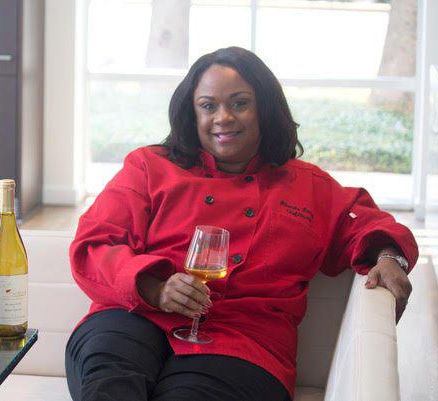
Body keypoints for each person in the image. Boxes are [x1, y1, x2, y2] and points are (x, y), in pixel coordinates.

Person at [65, 47, 418, 401]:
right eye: (208, 106)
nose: (223, 117)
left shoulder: (308, 185)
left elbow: (365, 224)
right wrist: (153, 288)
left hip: (245, 343)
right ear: (192, 113)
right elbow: (95, 243)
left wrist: (389, 257)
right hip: (134, 317)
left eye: (239, 103)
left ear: (265, 108)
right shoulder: (148, 166)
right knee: (109, 388)